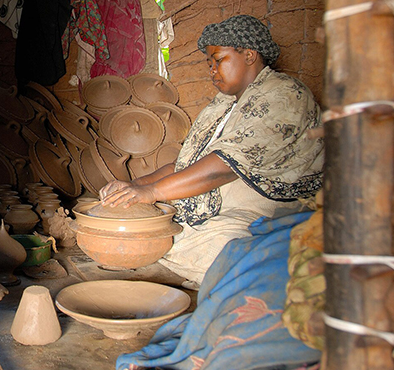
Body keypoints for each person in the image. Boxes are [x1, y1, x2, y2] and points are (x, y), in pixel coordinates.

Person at [100, 15, 323, 287]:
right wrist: (134, 186)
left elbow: (223, 168)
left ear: (250, 56)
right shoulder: (223, 105)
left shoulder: (285, 95)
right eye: (209, 62)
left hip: (269, 209)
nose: (212, 70)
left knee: (224, 248)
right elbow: (186, 165)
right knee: (147, 225)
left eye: (219, 60)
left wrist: (153, 192)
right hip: (220, 202)